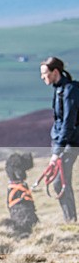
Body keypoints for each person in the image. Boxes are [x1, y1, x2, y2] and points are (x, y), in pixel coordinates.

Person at [40, 57, 79, 222]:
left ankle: (71, 221)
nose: (42, 78)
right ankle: (71, 220)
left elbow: (68, 123)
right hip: (63, 142)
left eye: (45, 74)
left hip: (71, 142)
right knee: (60, 182)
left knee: (59, 182)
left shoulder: (69, 91)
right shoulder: (59, 89)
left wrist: (57, 151)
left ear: (55, 72)